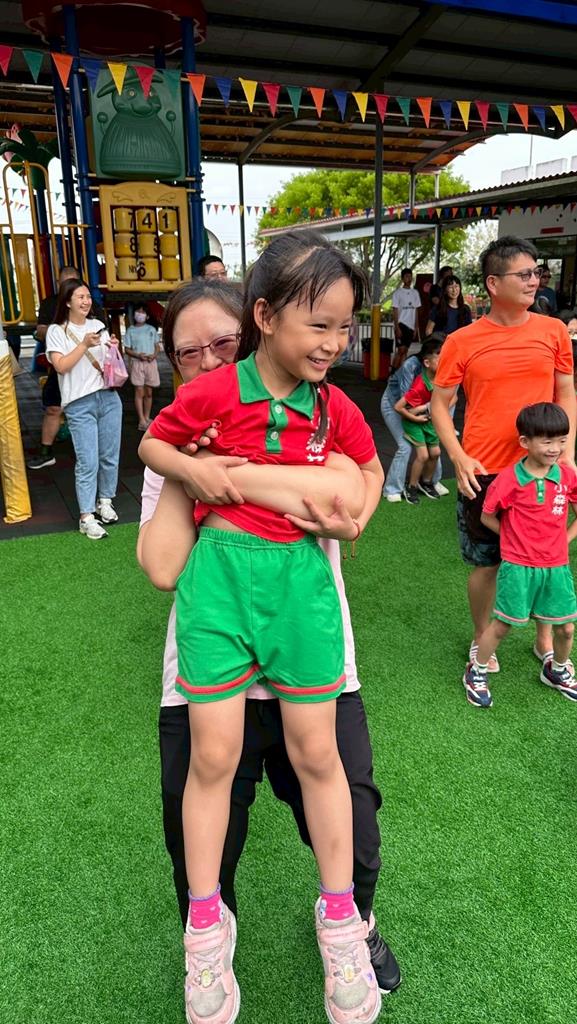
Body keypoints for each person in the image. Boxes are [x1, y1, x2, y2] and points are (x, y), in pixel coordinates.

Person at [139, 232, 385, 1024]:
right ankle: (206, 936)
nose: (335, 342)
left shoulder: (331, 406)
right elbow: (155, 458)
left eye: (344, 326)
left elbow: (355, 481)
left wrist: (238, 481)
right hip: (217, 593)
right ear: (268, 316)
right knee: (209, 763)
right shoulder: (211, 401)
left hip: (300, 596)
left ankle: (345, 924)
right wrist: (190, 469)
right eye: (320, 325)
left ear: (244, 327)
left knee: (326, 765)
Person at [431, 235, 576, 675]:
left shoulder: (553, 331)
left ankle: (544, 638)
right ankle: (482, 637)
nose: (535, 280)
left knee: (547, 556)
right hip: (484, 469)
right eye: (524, 273)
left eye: (537, 272)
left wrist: (567, 454)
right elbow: (440, 404)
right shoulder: (462, 341)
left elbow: (566, 392)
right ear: (493, 283)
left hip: (544, 469)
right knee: (486, 561)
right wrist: (457, 457)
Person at [463, 403, 577, 708]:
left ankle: (557, 670)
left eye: (562, 440)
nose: (555, 449)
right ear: (525, 442)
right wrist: (514, 540)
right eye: (547, 441)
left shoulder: (567, 476)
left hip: (556, 567)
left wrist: (563, 540)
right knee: (503, 625)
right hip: (518, 566)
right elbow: (487, 516)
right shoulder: (508, 480)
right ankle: (476, 671)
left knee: (566, 627)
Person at [45, 279, 122, 540]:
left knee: (109, 455)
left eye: (88, 296)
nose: (86, 301)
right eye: (80, 297)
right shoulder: (57, 331)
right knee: (88, 461)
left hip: (108, 396)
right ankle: (86, 517)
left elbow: (107, 364)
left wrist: (112, 349)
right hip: (79, 402)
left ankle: (105, 501)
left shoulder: (98, 325)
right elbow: (61, 366)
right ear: (67, 301)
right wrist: (84, 345)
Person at [27, 266, 107, 470]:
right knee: (54, 407)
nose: (85, 301)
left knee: (96, 419)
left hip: (90, 376)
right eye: (66, 284)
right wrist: (63, 333)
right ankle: (46, 451)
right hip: (65, 368)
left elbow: (103, 337)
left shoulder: (93, 309)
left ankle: (91, 454)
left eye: (85, 295)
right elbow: (42, 332)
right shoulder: (51, 307)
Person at [380, 336, 450, 503]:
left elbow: (449, 397)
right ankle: (393, 488)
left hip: (423, 407)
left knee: (435, 448)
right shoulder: (411, 366)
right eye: (441, 353)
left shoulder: (444, 367)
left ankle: (430, 481)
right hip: (397, 404)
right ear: (428, 357)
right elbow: (405, 404)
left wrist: (441, 419)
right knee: (405, 446)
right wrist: (426, 410)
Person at [394, 336, 443, 505]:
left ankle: (426, 482)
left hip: (428, 420)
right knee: (422, 455)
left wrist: (429, 409)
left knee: (435, 453)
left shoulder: (443, 379)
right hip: (414, 422)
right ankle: (411, 486)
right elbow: (399, 407)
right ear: (427, 363)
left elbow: (453, 398)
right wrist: (415, 416)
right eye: (440, 359)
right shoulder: (419, 385)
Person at [123, 301, 162, 430]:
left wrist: (154, 355)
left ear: (147, 316)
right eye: (138, 311)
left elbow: (157, 346)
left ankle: (147, 417)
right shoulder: (130, 330)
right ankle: (141, 420)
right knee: (139, 391)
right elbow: (127, 349)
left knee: (149, 392)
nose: (140, 314)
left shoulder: (151, 329)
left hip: (150, 363)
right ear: (134, 314)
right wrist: (138, 355)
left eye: (143, 312)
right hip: (137, 363)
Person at [391, 267, 421, 368]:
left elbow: (416, 311)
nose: (409, 279)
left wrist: (416, 327)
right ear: (402, 278)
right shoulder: (397, 293)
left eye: (410, 277)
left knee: (405, 351)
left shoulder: (415, 293)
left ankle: (401, 373)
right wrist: (397, 327)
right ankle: (393, 373)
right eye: (407, 276)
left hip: (411, 326)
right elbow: (395, 311)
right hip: (401, 324)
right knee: (400, 350)